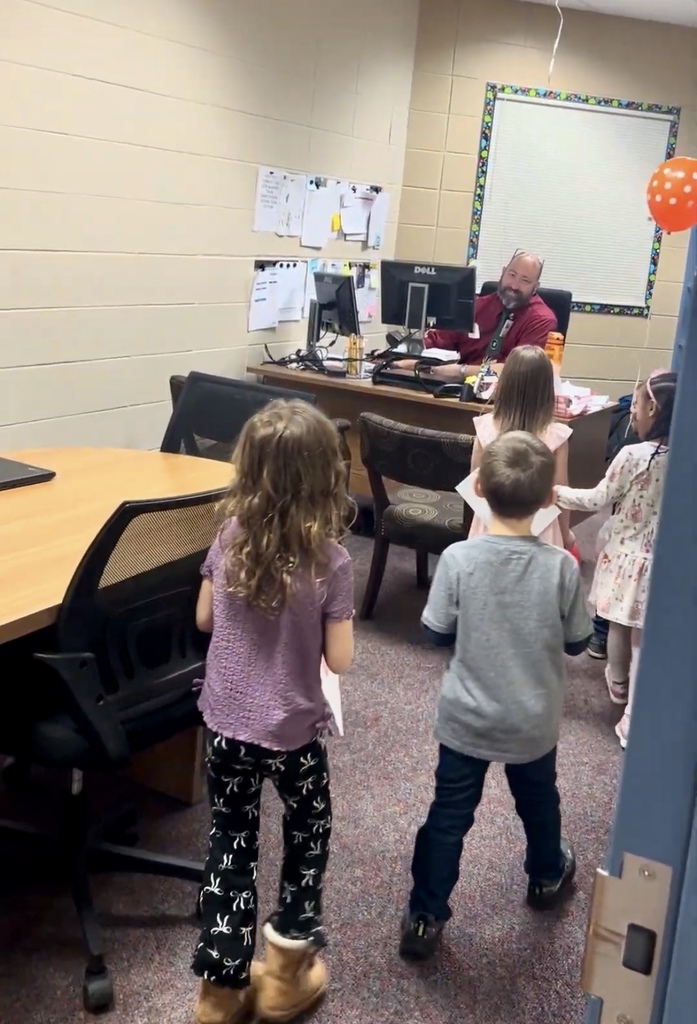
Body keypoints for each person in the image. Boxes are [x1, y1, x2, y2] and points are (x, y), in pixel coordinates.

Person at [191, 400, 355, 1024]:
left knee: (230, 840)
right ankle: (286, 974)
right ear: (327, 478)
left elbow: (205, 619)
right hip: (292, 736)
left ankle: (221, 991)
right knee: (307, 833)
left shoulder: (229, 537)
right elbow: (338, 661)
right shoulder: (332, 563)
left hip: (226, 725)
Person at [400, 432, 592, 961]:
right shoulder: (562, 568)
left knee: (449, 815)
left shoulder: (459, 559)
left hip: (466, 719)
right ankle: (547, 877)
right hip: (532, 722)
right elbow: (578, 642)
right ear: (550, 498)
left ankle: (424, 918)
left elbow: (434, 632)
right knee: (538, 800)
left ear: (478, 488)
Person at [555, 371, 677, 749]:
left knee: (620, 627)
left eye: (637, 405)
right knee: (641, 635)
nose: (634, 414)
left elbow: (597, 499)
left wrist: (555, 491)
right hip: (662, 558)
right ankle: (630, 706)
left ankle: (622, 692)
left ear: (653, 408)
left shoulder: (633, 454)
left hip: (628, 556)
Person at [469, 345, 574, 549]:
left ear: (505, 384)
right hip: (540, 532)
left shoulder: (484, 428)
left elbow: (474, 483)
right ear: (547, 389)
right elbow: (561, 495)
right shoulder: (556, 436)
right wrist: (566, 535)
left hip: (492, 526)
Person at [422, 250, 558, 381]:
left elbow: (519, 370)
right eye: (512, 275)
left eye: (525, 281)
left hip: (505, 395)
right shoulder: (476, 306)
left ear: (536, 286)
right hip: (453, 389)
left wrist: (461, 371)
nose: (514, 286)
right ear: (503, 272)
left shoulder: (541, 320)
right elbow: (436, 342)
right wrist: (410, 350)